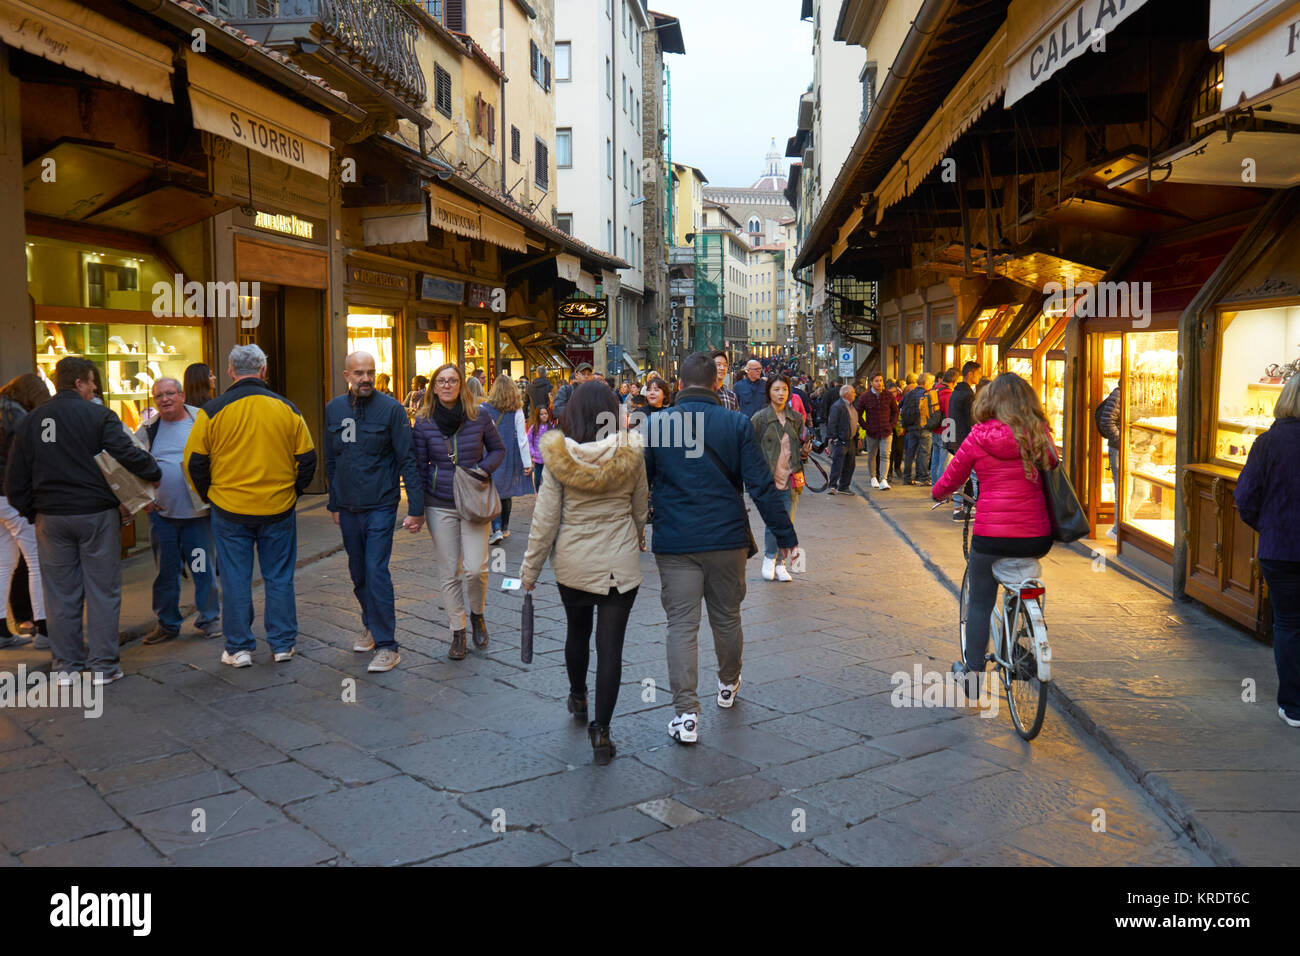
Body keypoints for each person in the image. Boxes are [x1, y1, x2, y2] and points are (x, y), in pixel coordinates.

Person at [645, 352, 798, 745]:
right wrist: (785, 536)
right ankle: (728, 685)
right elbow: (761, 486)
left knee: (681, 625)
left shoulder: (657, 424)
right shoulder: (735, 423)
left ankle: (686, 716)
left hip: (676, 541)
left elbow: (643, 482)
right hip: (726, 538)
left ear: (678, 385)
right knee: (727, 617)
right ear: (717, 385)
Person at [6, 357, 162, 684]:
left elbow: (14, 481)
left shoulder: (32, 421)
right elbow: (127, 453)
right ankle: (104, 667)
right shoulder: (98, 415)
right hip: (95, 514)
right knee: (102, 590)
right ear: (79, 382)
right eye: (92, 382)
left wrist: (33, 512)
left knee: (60, 592)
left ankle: (66, 667)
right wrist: (153, 472)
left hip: (51, 518)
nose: (94, 388)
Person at [520, 382, 647, 765]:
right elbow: (641, 510)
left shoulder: (559, 461)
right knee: (611, 650)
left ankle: (577, 695)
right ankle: (602, 732)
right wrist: (635, 538)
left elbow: (545, 522)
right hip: (618, 567)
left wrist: (530, 571)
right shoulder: (631, 455)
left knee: (577, 632)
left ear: (571, 413)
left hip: (573, 565)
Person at [183, 345, 316, 669]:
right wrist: (293, 491)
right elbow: (308, 459)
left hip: (229, 509)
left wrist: (210, 495)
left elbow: (193, 463)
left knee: (235, 579)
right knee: (279, 577)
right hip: (278, 507)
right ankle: (282, 644)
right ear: (264, 370)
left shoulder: (211, 411)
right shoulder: (287, 409)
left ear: (230, 372)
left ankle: (239, 648)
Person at [931, 372, 1058, 696]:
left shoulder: (978, 436)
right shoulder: (1038, 432)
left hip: (991, 536)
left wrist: (938, 493)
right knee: (1024, 583)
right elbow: (1052, 464)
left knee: (980, 602)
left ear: (988, 401)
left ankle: (972, 675)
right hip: (1035, 536)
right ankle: (1017, 638)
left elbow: (951, 478)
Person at [325, 352, 425, 673]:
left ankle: (386, 645)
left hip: (381, 503)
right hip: (349, 507)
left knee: (376, 570)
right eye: (358, 373)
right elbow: (332, 459)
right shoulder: (334, 409)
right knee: (358, 573)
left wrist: (416, 508)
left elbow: (407, 458)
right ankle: (370, 623)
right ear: (346, 375)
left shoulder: (392, 410)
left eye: (370, 372)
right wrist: (334, 503)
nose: (365, 378)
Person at [412, 363, 504, 660]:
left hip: (474, 500)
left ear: (461, 385)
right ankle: (458, 630)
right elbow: (419, 466)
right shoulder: (424, 422)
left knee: (476, 569)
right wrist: (418, 508)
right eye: (442, 381)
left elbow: (498, 450)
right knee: (449, 571)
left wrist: (481, 470)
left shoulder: (479, 415)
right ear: (434, 388)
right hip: (440, 504)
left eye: (453, 380)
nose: (447, 385)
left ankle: (477, 614)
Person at [1233, 374, 1300, 728]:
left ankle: (1293, 705)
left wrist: (1268, 526)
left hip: (1280, 549)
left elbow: (1244, 498)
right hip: (1281, 544)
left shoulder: (1268, 444)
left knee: (1288, 624)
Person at [136, 378, 221, 646]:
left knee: (201, 568)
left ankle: (209, 619)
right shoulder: (149, 429)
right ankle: (168, 624)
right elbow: (134, 465)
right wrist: (143, 500)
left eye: (170, 393)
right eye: (159, 395)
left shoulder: (202, 421)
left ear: (182, 395)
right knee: (166, 572)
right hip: (163, 517)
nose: (165, 399)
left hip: (197, 517)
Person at [0, 374, 49, 648]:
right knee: (36, 561)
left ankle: (2, 631)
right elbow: (27, 461)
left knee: (4, 564)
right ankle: (44, 629)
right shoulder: (20, 419)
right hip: (11, 497)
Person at [751, 373, 805, 582]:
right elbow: (751, 449)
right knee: (774, 521)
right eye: (776, 389)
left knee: (787, 523)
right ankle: (769, 558)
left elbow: (796, 448)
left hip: (791, 479)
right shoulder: (759, 419)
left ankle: (781, 564)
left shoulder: (796, 419)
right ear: (769, 392)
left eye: (784, 389)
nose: (781, 393)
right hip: (768, 480)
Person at [480, 374, 533, 544]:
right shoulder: (516, 409)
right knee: (506, 491)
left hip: (490, 454)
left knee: (493, 491)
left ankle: (496, 529)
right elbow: (522, 439)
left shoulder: (484, 408)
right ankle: (504, 527)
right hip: (509, 454)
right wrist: (527, 463)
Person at [946, 361, 982, 521]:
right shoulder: (967, 394)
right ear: (971, 374)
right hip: (966, 441)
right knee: (974, 476)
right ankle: (968, 509)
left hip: (956, 440)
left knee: (963, 475)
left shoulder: (956, 392)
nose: (979, 377)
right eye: (978, 373)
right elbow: (972, 421)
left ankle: (959, 508)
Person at [854, 373, 898, 490]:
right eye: (877, 381)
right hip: (872, 431)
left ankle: (883, 479)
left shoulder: (888, 395)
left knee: (885, 454)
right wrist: (866, 426)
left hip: (886, 431)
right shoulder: (865, 397)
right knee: (872, 455)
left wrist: (891, 425)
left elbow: (895, 412)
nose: (879, 383)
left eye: (881, 380)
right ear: (871, 383)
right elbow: (857, 413)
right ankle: (873, 477)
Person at [1096, 383, 1122, 540]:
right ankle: (1118, 530)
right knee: (1122, 490)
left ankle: (1123, 526)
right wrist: (1121, 441)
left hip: (1141, 450)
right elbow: (1106, 421)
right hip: (1121, 450)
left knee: (1141, 490)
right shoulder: (1119, 394)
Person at [900, 373, 933, 485]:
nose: (932, 385)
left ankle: (907, 477)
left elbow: (899, 406)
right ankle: (923, 477)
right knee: (924, 452)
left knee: (910, 453)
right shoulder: (926, 394)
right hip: (923, 427)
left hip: (911, 427)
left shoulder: (909, 394)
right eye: (930, 382)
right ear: (925, 383)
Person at [826, 384, 857, 494]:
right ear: (847, 394)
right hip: (841, 440)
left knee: (850, 464)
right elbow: (832, 423)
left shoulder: (851, 406)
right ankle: (833, 485)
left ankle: (844, 486)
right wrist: (835, 438)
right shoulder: (837, 406)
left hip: (850, 440)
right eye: (853, 392)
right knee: (838, 464)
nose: (855, 394)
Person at [930, 369, 957, 486]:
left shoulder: (935, 390)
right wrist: (951, 435)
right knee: (944, 463)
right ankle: (941, 490)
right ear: (954, 380)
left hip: (934, 429)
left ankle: (935, 488)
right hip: (945, 431)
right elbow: (949, 416)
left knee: (935, 461)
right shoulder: (949, 394)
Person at [526, 403, 556, 493]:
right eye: (541, 414)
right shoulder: (533, 428)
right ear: (537, 415)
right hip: (538, 460)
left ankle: (548, 496)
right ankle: (539, 494)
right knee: (538, 479)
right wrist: (533, 452)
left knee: (549, 480)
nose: (544, 416)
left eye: (545, 413)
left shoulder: (551, 427)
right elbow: (529, 441)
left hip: (548, 460)